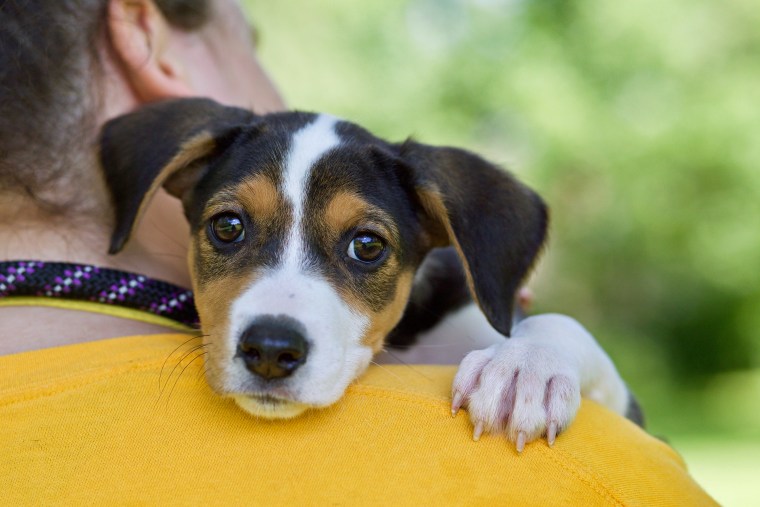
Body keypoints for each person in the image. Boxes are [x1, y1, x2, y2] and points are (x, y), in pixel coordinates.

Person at [0, 0, 717, 504]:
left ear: (443, 235)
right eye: (228, 230)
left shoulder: (464, 326)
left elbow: (624, 409)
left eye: (365, 247)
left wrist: (553, 341)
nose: (275, 323)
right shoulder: (597, 486)